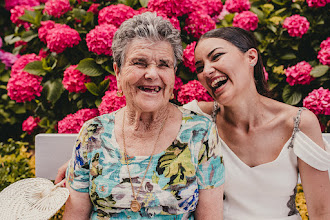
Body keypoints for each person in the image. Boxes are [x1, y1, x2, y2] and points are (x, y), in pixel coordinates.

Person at [62, 12, 225, 220]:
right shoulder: (93, 134)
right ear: (118, 73)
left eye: (163, 64)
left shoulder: (200, 132)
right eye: (139, 63)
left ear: (174, 75)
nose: (151, 74)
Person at [183, 26, 330, 219]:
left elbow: (321, 212)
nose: (207, 71)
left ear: (251, 57)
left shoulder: (298, 123)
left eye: (216, 56)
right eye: (200, 67)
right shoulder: (196, 118)